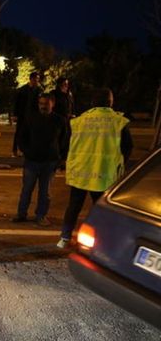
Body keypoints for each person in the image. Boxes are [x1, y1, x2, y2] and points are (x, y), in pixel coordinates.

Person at [57, 88, 133, 248]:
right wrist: (119, 163)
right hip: (104, 173)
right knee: (100, 209)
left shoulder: (79, 121)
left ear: (93, 102)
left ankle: (64, 237)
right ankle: (100, 240)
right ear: (110, 102)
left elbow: (65, 145)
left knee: (74, 206)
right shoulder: (118, 121)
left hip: (81, 171)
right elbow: (127, 147)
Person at [12, 93, 68, 226]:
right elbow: (21, 137)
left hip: (50, 162)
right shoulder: (31, 118)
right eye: (41, 103)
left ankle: (41, 215)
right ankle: (21, 214)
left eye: (46, 104)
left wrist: (62, 158)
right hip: (31, 161)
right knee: (27, 189)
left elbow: (65, 141)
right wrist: (27, 151)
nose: (43, 106)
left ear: (52, 104)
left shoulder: (60, 121)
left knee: (45, 192)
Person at [13, 72, 42, 156]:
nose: (36, 81)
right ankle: (15, 150)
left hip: (33, 116)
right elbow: (17, 102)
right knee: (19, 133)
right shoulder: (23, 89)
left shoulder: (39, 90)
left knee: (32, 133)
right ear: (31, 79)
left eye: (38, 79)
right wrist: (15, 114)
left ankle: (28, 150)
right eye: (35, 79)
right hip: (23, 115)